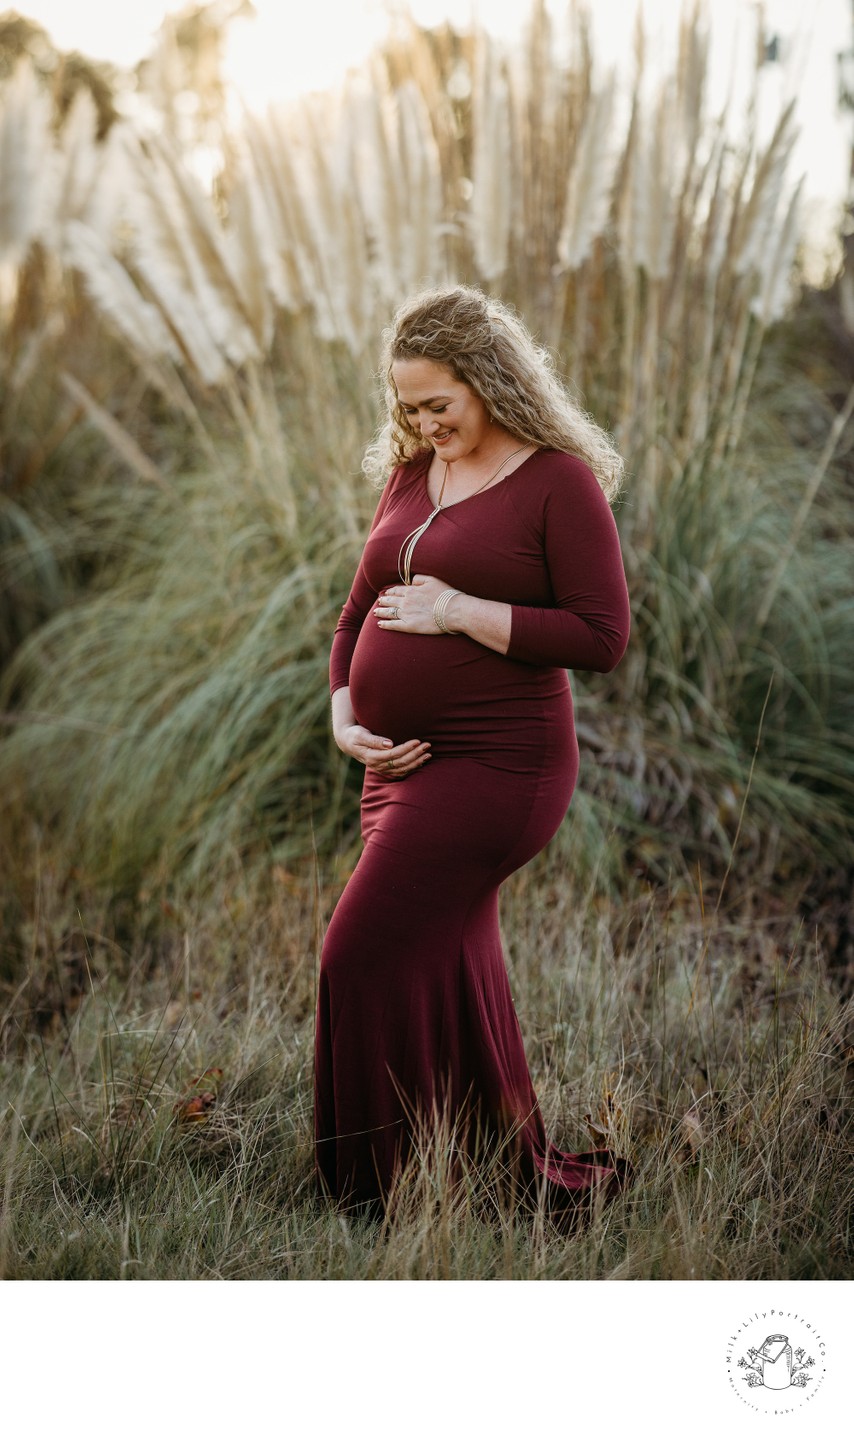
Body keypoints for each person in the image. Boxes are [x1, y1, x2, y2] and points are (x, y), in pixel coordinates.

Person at [314, 284, 632, 1226]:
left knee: (356, 954)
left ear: (489, 380)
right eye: (406, 408)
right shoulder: (413, 471)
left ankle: (370, 1193)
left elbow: (601, 635)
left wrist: (456, 610)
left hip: (503, 766)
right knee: (446, 955)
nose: (421, 423)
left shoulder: (555, 481)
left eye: (438, 404)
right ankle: (471, 1164)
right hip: (397, 771)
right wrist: (343, 714)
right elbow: (352, 615)